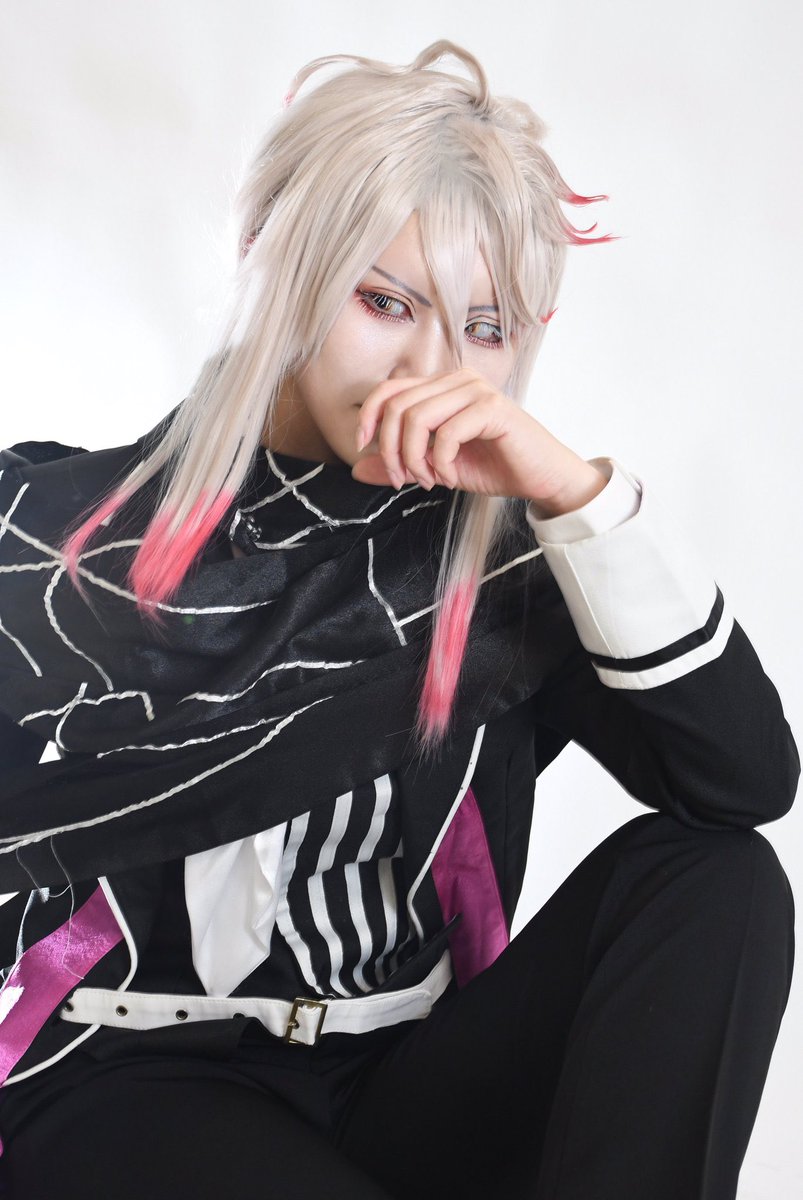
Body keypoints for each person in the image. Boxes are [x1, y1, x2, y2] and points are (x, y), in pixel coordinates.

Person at [0, 39, 796, 1200]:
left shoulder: (504, 573)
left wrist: (570, 494)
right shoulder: (49, 532)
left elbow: (740, 784)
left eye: (485, 328)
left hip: (402, 1074)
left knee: (721, 882)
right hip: (133, 1079)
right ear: (274, 260)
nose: (430, 368)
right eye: (385, 302)